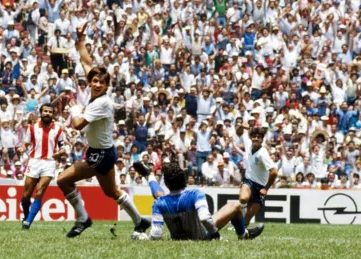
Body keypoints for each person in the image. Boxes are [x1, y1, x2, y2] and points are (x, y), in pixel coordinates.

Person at [59, 23, 150, 238]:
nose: (97, 84)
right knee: (111, 191)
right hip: (103, 151)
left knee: (63, 180)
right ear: (90, 82)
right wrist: (80, 42)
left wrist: (73, 108)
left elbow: (78, 124)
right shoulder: (96, 94)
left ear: (107, 85)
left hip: (100, 153)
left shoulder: (103, 103)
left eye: (101, 82)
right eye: (94, 80)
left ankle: (83, 218)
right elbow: (87, 61)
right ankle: (140, 220)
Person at [131, 161, 264, 240]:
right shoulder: (195, 193)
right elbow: (205, 219)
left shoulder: (159, 202)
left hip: (177, 237)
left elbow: (156, 234)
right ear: (184, 179)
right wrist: (217, 236)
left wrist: (141, 237)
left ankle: (149, 175)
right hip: (202, 235)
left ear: (166, 183)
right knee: (235, 206)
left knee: (160, 196)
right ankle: (243, 234)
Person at [19, 103, 66, 229]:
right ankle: (27, 216)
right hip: (34, 161)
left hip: (49, 163)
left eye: (50, 112)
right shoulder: (33, 128)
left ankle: (27, 223)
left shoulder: (58, 129)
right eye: (45, 111)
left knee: (40, 191)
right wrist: (22, 149)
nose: (47, 114)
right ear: (41, 113)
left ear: (53, 114)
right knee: (26, 195)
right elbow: (26, 144)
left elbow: (63, 146)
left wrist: (61, 151)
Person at [239, 127, 278, 226]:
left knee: (247, 220)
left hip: (260, 187)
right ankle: (238, 219)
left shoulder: (263, 153)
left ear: (262, 139)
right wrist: (241, 126)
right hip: (249, 181)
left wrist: (266, 188)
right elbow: (239, 132)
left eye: (259, 137)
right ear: (251, 138)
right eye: (254, 136)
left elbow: (274, 172)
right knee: (243, 199)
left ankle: (241, 229)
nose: (256, 138)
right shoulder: (248, 144)